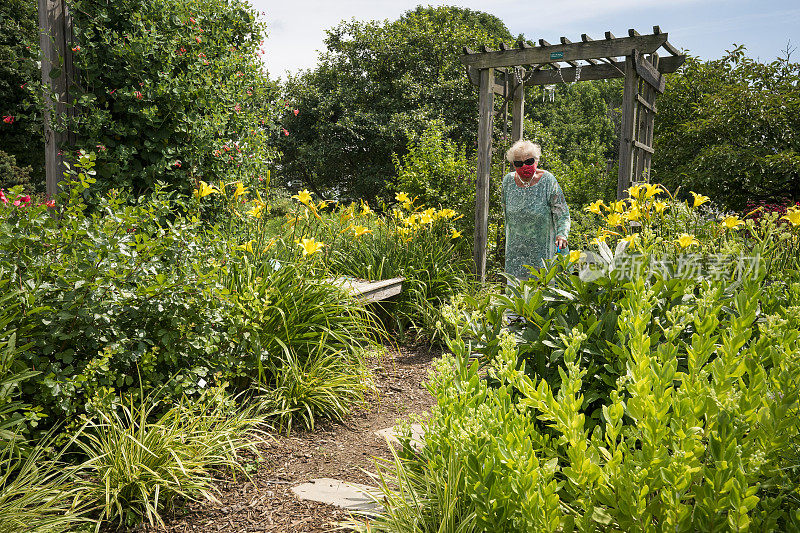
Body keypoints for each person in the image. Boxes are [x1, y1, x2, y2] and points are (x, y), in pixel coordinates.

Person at [502, 140, 570, 281]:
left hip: (543, 253)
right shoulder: (508, 182)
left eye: (529, 161)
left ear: (537, 160)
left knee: (542, 294)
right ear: (513, 164)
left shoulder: (548, 181)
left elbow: (562, 213)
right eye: (518, 163)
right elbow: (506, 214)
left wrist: (561, 235)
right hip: (516, 254)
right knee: (517, 296)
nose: (524, 166)